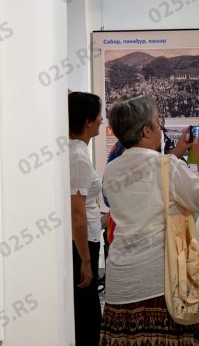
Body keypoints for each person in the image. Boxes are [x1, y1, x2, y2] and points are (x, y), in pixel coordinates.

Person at [100, 96, 199, 346]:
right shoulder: (164, 166)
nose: (160, 128)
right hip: (161, 281)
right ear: (146, 130)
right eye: (158, 122)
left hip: (121, 281)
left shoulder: (111, 169)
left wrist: (177, 154)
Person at [68, 91, 103, 345]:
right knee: (87, 316)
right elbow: (76, 212)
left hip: (86, 238)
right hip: (83, 245)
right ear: (87, 122)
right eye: (98, 116)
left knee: (87, 313)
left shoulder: (75, 151)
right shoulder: (78, 157)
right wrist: (86, 261)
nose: (102, 120)